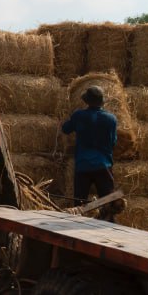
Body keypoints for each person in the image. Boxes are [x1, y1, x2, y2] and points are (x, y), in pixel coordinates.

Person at [60, 84, 119, 215]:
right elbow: (113, 142)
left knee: (79, 205)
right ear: (101, 101)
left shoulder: (79, 115)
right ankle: (108, 227)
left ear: (86, 101)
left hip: (83, 165)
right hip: (104, 165)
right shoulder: (111, 119)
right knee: (108, 204)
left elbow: (65, 129)